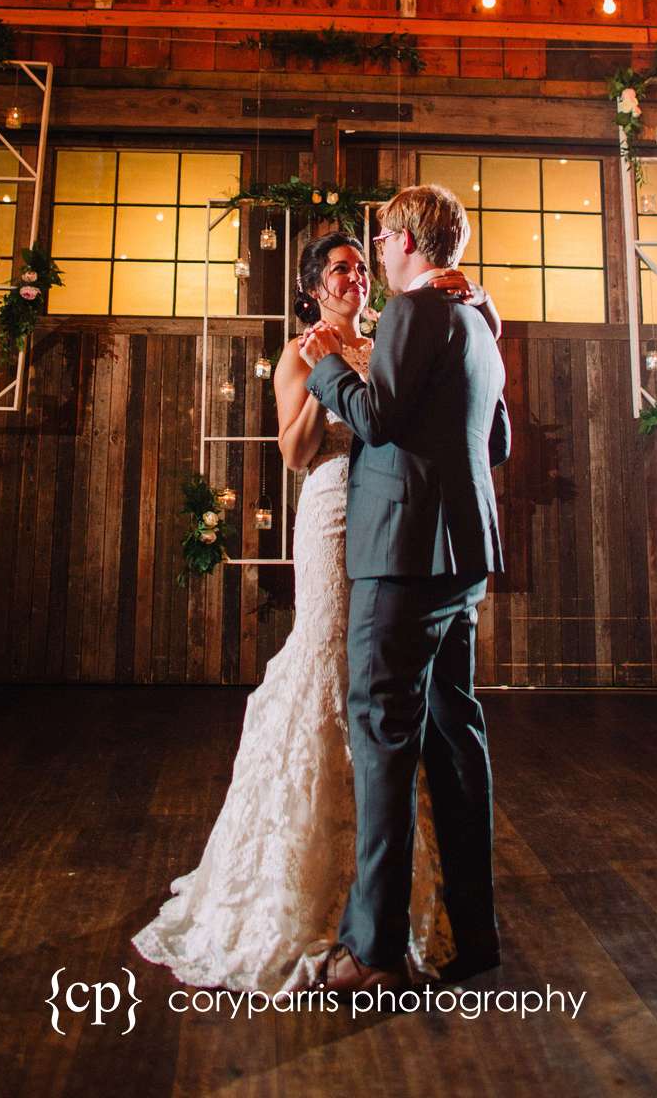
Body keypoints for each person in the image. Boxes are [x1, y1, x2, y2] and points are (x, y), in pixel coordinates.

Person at [131, 229, 498, 993]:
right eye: (340, 270)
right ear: (313, 288)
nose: (356, 277)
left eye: (363, 266)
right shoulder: (301, 353)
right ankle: (306, 871)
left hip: (393, 519)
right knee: (331, 661)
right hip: (334, 508)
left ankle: (378, 887)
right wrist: (318, 368)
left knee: (381, 688)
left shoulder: (401, 330)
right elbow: (295, 453)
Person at [301, 184, 511, 994]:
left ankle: (374, 952)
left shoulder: (415, 313)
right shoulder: (482, 326)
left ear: (405, 240)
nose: (378, 253)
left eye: (382, 238)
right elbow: (495, 441)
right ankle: (474, 932)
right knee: (456, 737)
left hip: (401, 554)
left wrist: (325, 364)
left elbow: (378, 417)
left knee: (382, 738)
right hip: (462, 555)